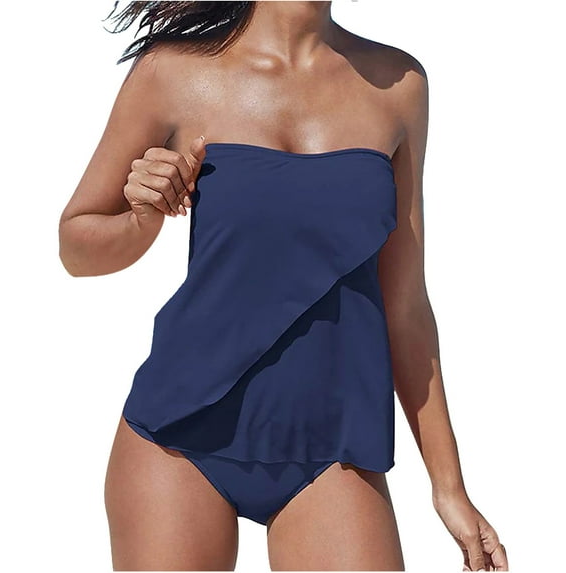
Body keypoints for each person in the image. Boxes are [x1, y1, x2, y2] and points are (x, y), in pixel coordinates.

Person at [58, 1, 509, 571]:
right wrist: (141, 219)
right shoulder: (171, 72)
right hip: (176, 434)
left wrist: (449, 488)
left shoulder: (399, 84)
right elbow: (76, 246)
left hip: (333, 446)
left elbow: (406, 306)